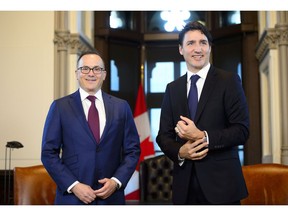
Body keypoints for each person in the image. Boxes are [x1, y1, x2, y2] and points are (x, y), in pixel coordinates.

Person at [156, 21, 250, 205]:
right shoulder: (172, 88)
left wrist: (203, 136)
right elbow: (163, 136)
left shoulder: (229, 81)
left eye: (203, 42)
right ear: (181, 49)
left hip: (223, 186)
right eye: (191, 43)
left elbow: (242, 130)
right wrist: (181, 151)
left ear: (209, 47)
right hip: (185, 187)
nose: (197, 49)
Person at [41, 50, 140, 205]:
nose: (91, 74)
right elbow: (48, 153)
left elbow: (133, 151)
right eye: (85, 69)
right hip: (72, 199)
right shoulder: (60, 107)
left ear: (104, 74)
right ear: (77, 73)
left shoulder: (121, 107)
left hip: (111, 198)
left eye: (97, 69)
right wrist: (73, 185)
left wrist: (116, 181)